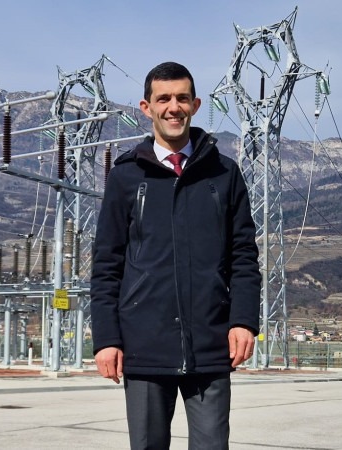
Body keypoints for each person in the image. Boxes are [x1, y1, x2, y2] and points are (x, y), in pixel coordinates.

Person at [91, 61, 261, 450]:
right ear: (146, 107)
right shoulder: (126, 176)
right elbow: (106, 265)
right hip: (144, 344)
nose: (174, 107)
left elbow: (243, 257)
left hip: (210, 345)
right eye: (163, 98)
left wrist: (243, 321)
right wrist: (106, 339)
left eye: (182, 98)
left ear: (195, 105)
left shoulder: (224, 174)